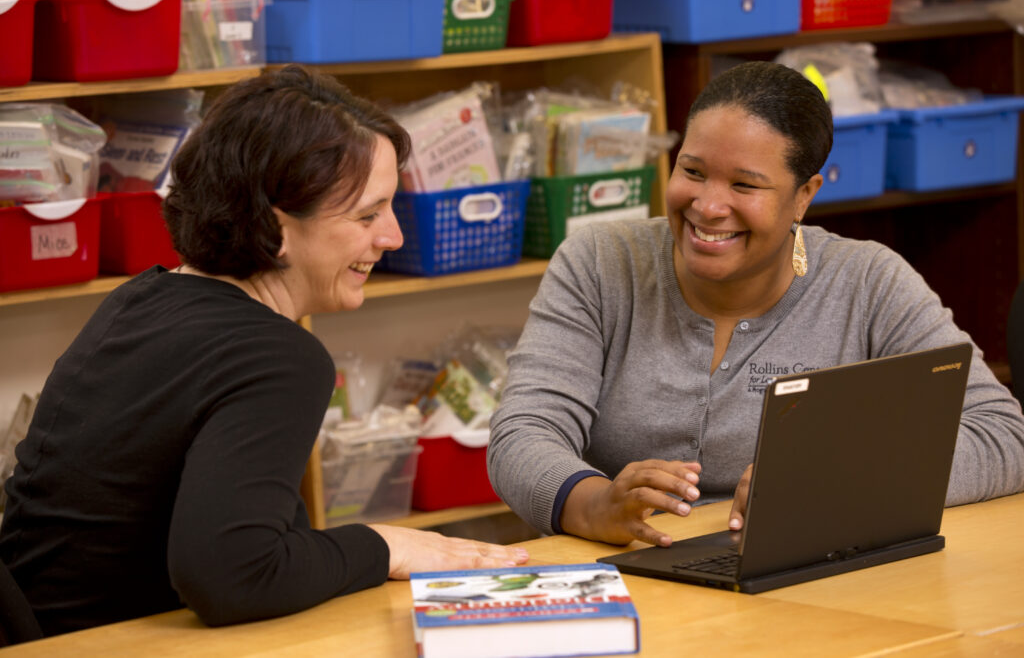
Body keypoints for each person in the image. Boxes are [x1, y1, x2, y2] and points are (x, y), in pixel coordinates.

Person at [0, 66, 528, 638]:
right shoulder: (277, 355)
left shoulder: (141, 299)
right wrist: (385, 544)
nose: (393, 237)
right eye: (367, 215)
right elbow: (232, 576)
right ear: (277, 230)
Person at [487, 61, 1024, 549]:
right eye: (693, 171)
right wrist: (591, 504)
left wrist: (842, 484)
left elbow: (1002, 434)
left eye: (745, 185)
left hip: (800, 582)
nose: (708, 206)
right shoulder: (600, 263)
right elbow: (524, 433)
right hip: (619, 568)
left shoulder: (869, 282)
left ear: (804, 195)